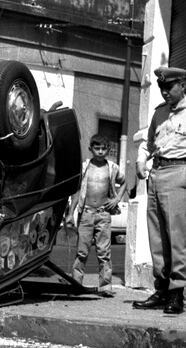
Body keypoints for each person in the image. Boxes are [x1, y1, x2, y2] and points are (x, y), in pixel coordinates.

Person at [133, 65, 186, 315]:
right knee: (157, 238)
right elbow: (148, 143)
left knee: (177, 238)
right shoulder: (159, 113)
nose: (165, 92)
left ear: (183, 85)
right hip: (155, 174)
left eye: (170, 87)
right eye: (162, 87)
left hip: (178, 173)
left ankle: (177, 293)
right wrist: (141, 160)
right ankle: (161, 288)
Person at [69, 134, 125, 296]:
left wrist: (116, 199)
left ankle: (106, 286)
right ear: (91, 149)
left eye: (103, 148)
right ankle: (76, 283)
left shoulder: (112, 168)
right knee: (82, 251)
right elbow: (77, 190)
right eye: (97, 148)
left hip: (103, 214)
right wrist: (70, 212)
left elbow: (124, 183)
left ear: (108, 149)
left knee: (104, 252)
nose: (100, 151)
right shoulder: (85, 167)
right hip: (86, 213)